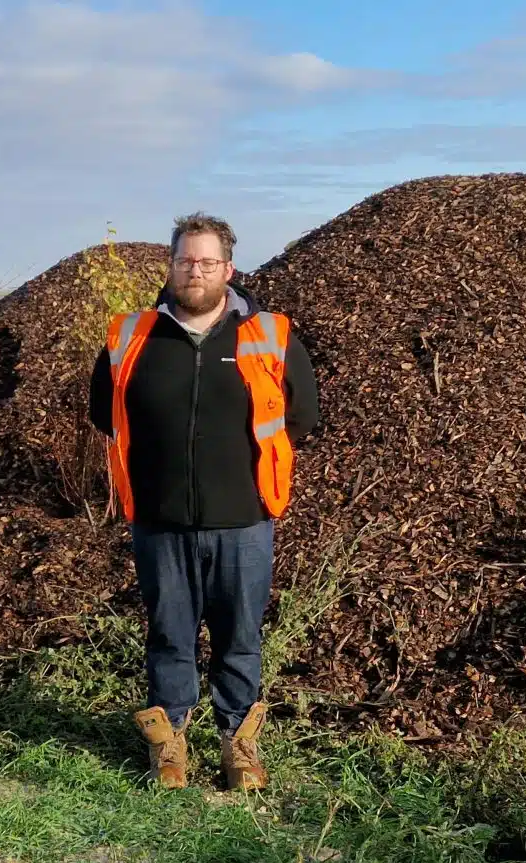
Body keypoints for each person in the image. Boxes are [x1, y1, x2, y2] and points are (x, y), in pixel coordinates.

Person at [87, 212, 320, 791]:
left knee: (240, 634)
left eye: (207, 262)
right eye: (186, 261)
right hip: (160, 520)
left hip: (244, 518)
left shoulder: (269, 332)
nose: (195, 271)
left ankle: (239, 747)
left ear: (228, 269)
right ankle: (170, 747)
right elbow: (103, 412)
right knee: (169, 632)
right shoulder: (129, 336)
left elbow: (302, 414)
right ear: (170, 267)